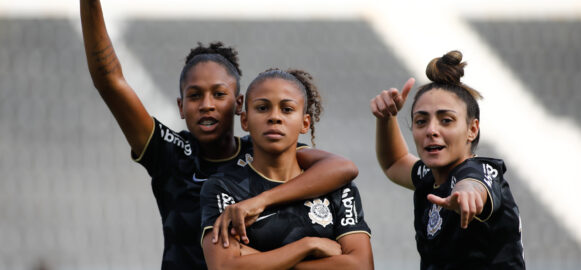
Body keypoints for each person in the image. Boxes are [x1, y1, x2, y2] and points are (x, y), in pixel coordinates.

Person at [80, 1, 358, 269]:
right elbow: (110, 81)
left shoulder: (261, 152)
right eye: (195, 95)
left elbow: (342, 168)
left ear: (239, 106)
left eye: (219, 94)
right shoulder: (169, 153)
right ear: (181, 107)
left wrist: (261, 201)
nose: (207, 104)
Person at [200, 69, 374, 270]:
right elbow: (224, 267)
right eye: (263, 108)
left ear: (305, 123)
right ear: (245, 121)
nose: (275, 117)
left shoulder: (337, 187)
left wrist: (259, 259)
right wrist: (309, 246)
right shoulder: (222, 188)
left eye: (287, 109)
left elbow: (361, 266)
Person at [371, 51, 525, 269]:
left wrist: (467, 192)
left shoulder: (482, 171)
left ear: (472, 129)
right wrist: (386, 119)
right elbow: (394, 163)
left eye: (446, 120)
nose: (432, 130)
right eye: (421, 121)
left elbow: (475, 184)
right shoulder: (429, 176)